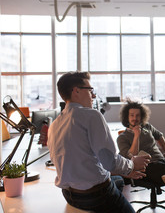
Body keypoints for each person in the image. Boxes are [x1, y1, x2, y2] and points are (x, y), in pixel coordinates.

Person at [48, 71, 150, 213]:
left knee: (118, 181)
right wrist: (132, 164)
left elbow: (88, 159)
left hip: (70, 195)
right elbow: (109, 162)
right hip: (94, 196)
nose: (93, 95)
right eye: (90, 90)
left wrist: (126, 170)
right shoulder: (91, 115)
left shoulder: (55, 124)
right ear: (76, 91)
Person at [117, 100, 165, 213]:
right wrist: (136, 136)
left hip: (162, 162)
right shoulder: (122, 138)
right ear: (126, 117)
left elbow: (159, 136)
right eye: (132, 115)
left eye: (138, 115)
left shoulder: (147, 126)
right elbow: (132, 156)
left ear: (142, 116)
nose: (135, 118)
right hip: (146, 168)